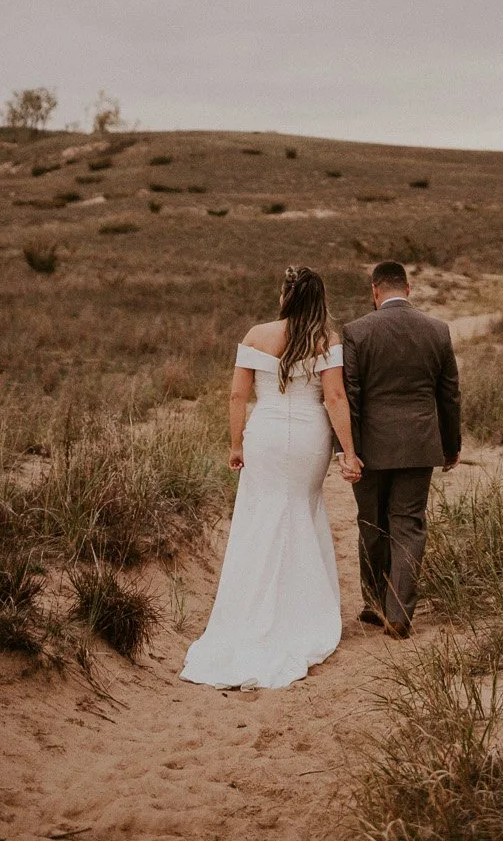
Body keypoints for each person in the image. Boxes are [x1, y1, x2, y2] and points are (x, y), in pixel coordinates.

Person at [181, 265, 363, 689]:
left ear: (285, 296)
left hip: (263, 435)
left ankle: (249, 613)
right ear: (318, 301)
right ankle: (300, 613)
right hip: (307, 437)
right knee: (300, 511)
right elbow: (335, 397)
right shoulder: (325, 340)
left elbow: (237, 396)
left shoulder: (256, 334)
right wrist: (349, 451)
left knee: (261, 516)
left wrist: (235, 444)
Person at [343, 259, 461, 638]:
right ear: (408, 290)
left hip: (371, 447)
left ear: (374, 292)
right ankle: (399, 614)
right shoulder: (438, 330)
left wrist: (351, 449)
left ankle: (375, 603)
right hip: (419, 443)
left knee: (372, 523)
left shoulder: (356, 331)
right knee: (408, 524)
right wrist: (451, 444)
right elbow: (450, 395)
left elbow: (352, 396)